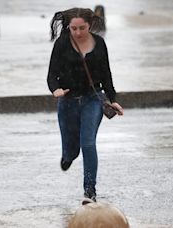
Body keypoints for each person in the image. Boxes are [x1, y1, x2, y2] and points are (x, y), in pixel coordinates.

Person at [47, 7, 124, 202]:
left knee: (88, 143)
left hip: (92, 99)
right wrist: (55, 89)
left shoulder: (99, 44)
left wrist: (113, 100)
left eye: (82, 28)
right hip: (67, 101)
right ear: (69, 27)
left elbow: (106, 75)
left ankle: (89, 191)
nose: (78, 32)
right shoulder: (62, 43)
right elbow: (51, 73)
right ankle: (68, 156)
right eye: (74, 28)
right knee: (72, 150)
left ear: (90, 25)